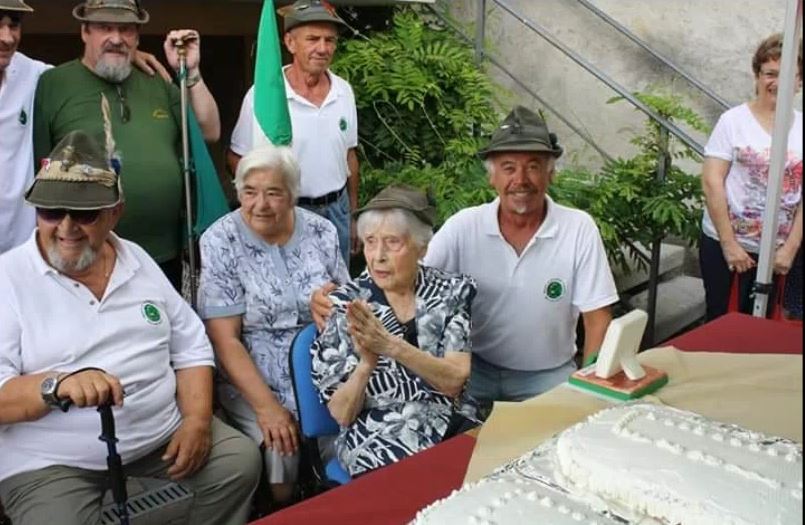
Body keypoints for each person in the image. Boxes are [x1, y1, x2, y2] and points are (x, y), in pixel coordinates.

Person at [0, 130, 260, 525]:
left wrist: (196, 420)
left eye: (85, 214)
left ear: (115, 211)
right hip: (51, 460)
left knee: (237, 464)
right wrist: (55, 386)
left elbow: (190, 346)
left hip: (158, 435)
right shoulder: (8, 280)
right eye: (51, 212)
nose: (66, 227)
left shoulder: (135, 257)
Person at [312, 107, 617, 414]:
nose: (521, 179)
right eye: (509, 168)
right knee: (459, 445)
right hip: (475, 372)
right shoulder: (464, 226)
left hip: (546, 375)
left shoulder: (578, 229)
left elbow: (598, 319)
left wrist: (588, 385)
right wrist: (337, 300)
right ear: (492, 177)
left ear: (551, 174)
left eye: (533, 167)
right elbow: (401, 267)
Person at [33, 0, 221, 289]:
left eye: (126, 30)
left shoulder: (157, 81)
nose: (117, 38)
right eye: (105, 28)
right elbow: (38, 167)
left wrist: (191, 71)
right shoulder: (52, 83)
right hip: (83, 251)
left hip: (162, 254)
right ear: (84, 32)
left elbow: (209, 130)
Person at [199, 145, 350, 504]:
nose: (260, 205)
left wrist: (330, 304)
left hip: (321, 360)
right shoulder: (220, 241)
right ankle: (281, 507)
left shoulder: (321, 231)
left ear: (293, 195)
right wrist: (268, 408)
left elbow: (347, 299)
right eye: (249, 192)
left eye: (273, 193)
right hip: (254, 371)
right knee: (281, 448)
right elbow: (225, 340)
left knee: (351, 429)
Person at [311, 185, 478, 476]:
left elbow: (453, 381)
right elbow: (342, 414)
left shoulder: (453, 291)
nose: (378, 256)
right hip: (378, 437)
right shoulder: (342, 305)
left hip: (451, 423)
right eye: (371, 242)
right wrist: (366, 365)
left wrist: (390, 345)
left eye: (392, 243)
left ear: (422, 247)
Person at [0, 0, 167, 255]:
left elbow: (84, 69)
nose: (7, 38)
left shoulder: (32, 74)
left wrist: (125, 53)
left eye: (14, 26)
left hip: (18, 246)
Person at [227, 0, 359, 266]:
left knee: (336, 295)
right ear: (290, 43)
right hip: (289, 212)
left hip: (337, 211)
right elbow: (235, 159)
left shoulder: (343, 91)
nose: (323, 48)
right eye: (312, 39)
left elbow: (350, 156)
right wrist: (263, 204)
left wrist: (353, 213)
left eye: (329, 40)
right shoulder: (263, 97)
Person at [700, 33, 802, 321]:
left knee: (766, 332)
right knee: (722, 324)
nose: (778, 83)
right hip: (728, 249)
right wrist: (729, 244)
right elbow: (712, 182)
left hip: (780, 254)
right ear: (757, 75)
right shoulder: (733, 121)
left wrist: (790, 248)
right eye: (770, 73)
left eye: (789, 76)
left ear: (800, 81)